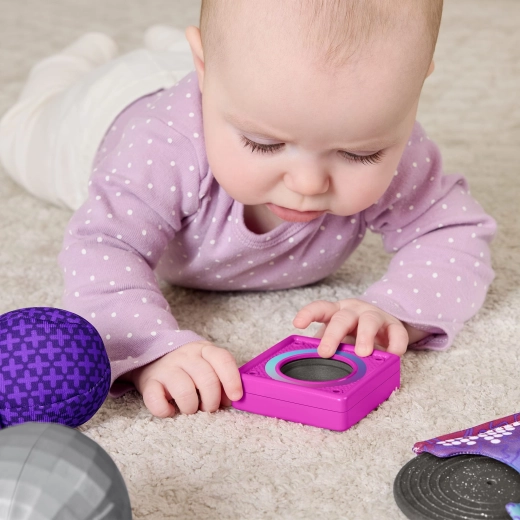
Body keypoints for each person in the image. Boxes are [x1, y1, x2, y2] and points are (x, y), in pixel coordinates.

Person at [0, 0, 496, 419]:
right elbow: (104, 246)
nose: (308, 183)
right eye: (264, 144)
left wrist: (398, 310)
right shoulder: (160, 145)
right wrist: (149, 347)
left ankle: (180, 57)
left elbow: (452, 231)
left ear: (415, 89)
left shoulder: (384, 130)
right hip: (96, 120)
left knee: (249, 68)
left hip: (232, 80)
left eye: (358, 154)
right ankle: (72, 64)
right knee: (20, 133)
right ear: (204, 72)